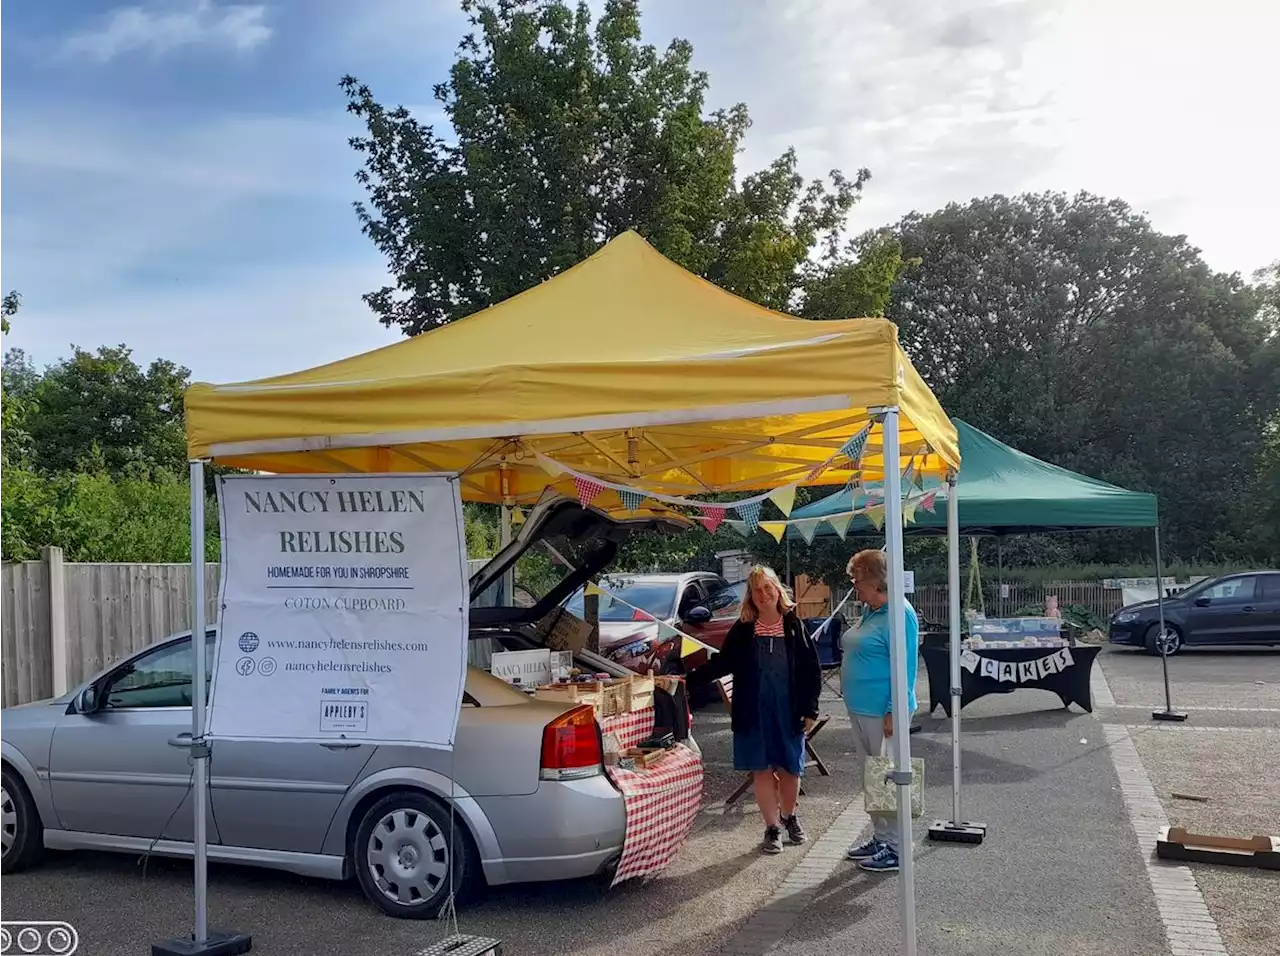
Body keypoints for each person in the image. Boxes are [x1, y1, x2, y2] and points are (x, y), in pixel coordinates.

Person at [688, 565, 822, 854]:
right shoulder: (743, 629)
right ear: (751, 596)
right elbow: (721, 664)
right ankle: (772, 828)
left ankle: (790, 817)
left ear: (777, 590)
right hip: (753, 711)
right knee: (761, 771)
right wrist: (687, 680)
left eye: (767, 588)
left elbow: (812, 670)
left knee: (790, 769)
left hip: (789, 710)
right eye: (756, 590)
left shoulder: (794, 625)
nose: (763, 595)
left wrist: (810, 709)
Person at [841, 548, 920, 873]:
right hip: (862, 708)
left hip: (883, 712)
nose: (854, 587)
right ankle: (882, 837)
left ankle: (898, 847)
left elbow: (906, 667)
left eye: (858, 580)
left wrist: (893, 711)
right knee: (873, 779)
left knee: (888, 779)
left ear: (877, 581)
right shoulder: (873, 611)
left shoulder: (900, 614)